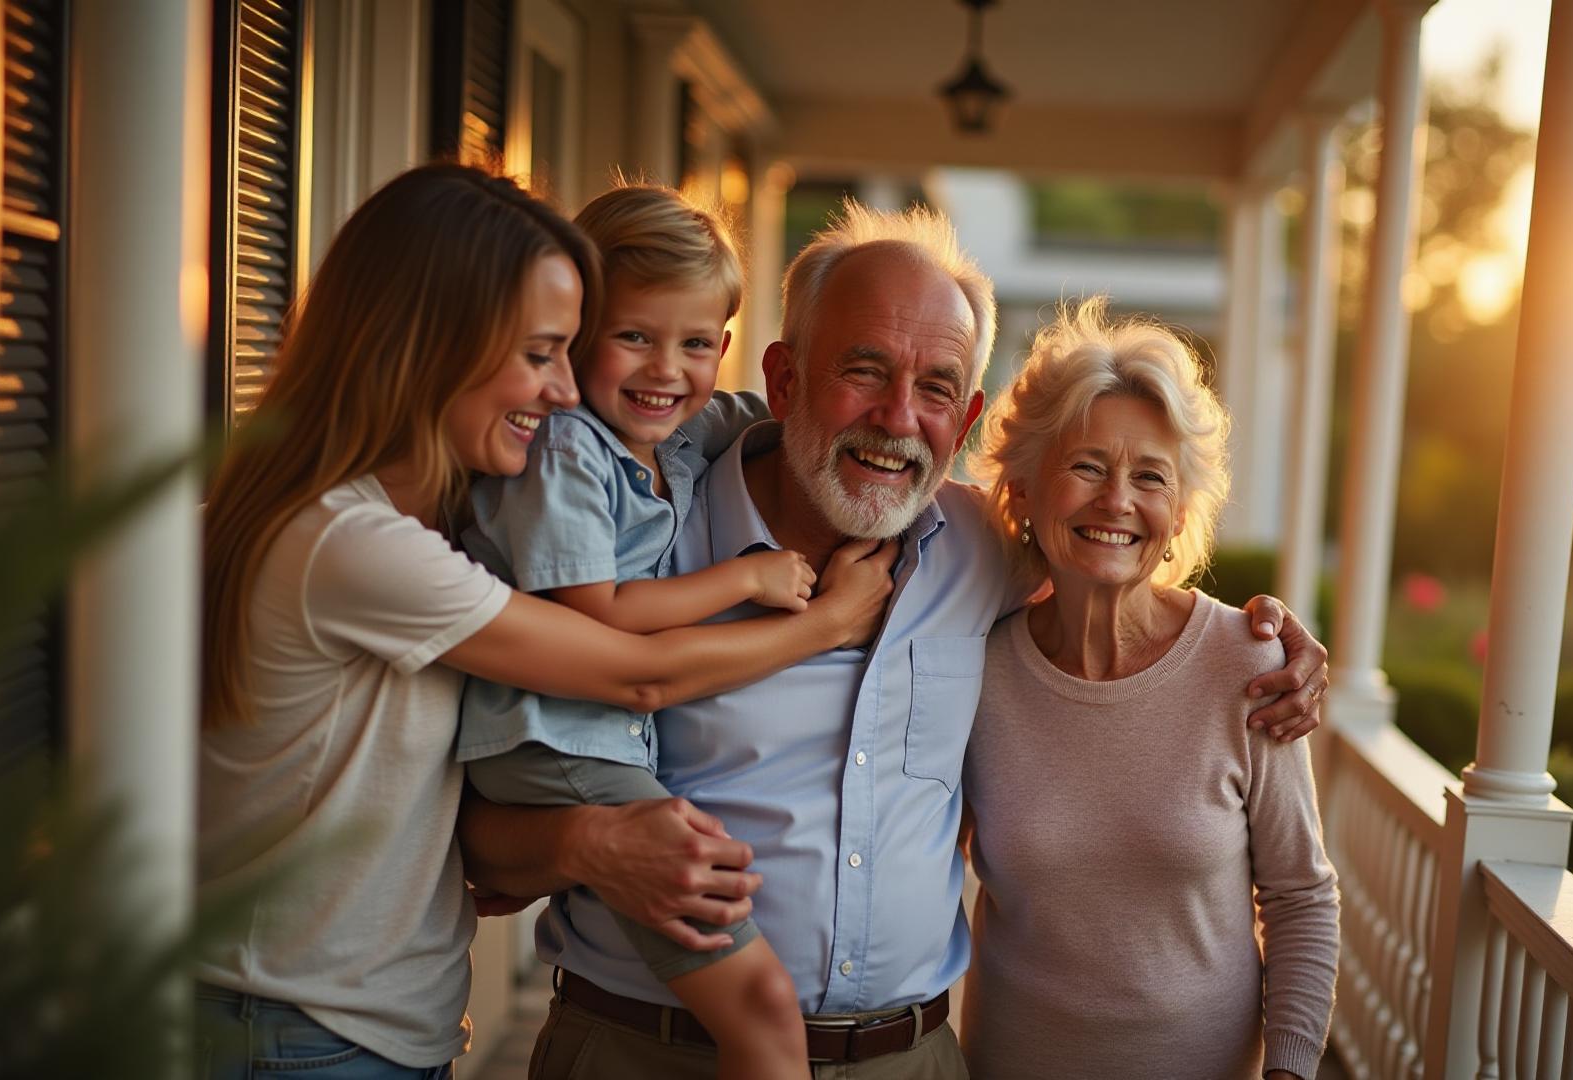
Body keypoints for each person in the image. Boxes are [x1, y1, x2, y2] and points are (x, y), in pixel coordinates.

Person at [458, 201, 1332, 1079]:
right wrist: (584, 848)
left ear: (969, 414)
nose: (898, 416)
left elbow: (1107, 562)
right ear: (784, 378)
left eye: (937, 388)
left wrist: (1266, 637)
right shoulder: (642, 545)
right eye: (864, 371)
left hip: (910, 1059)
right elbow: (480, 836)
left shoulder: (982, 554)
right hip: (644, 1053)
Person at [192, 165, 894, 1079]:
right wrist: (825, 622)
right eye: (540, 353)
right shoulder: (351, 543)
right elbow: (625, 670)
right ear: (429, 345)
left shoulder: (418, 520)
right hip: (299, 1031)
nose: (566, 393)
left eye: (569, 351)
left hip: (367, 1025)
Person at [460, 184, 817, 1079]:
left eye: (696, 344)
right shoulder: (567, 447)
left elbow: (790, 419)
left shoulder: (681, 427)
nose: (667, 370)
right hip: (556, 736)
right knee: (764, 1005)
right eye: (635, 338)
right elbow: (599, 613)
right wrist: (747, 576)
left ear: (724, 348)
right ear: (578, 333)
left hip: (597, 744)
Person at [959, 299, 1340, 1079]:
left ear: (1178, 514)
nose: (1117, 501)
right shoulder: (973, 665)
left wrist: (1292, 1070)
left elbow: (1301, 897)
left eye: (1150, 478)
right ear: (1023, 490)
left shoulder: (1249, 664)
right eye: (1086, 466)